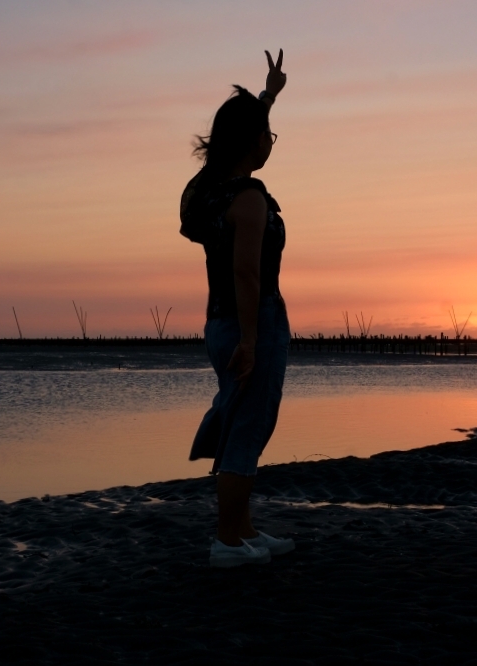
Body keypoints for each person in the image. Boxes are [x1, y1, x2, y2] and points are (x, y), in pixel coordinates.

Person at [180, 49, 295, 568]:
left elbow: (239, 135)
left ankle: (241, 527)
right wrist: (251, 341)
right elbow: (247, 274)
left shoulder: (207, 190)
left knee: (243, 420)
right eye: (266, 135)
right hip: (253, 320)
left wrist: (267, 96)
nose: (270, 142)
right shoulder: (248, 198)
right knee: (250, 424)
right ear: (250, 142)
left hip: (219, 321)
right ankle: (227, 539)